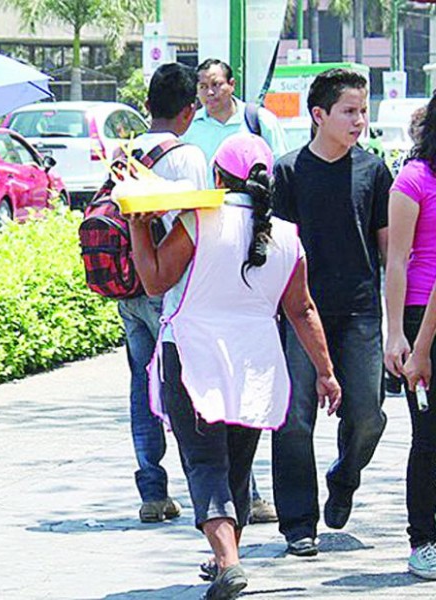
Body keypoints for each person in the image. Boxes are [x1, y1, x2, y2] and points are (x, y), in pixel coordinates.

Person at [129, 132, 340, 599]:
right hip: (257, 359)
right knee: (237, 465)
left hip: (191, 353)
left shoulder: (200, 221)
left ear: (218, 178)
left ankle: (227, 562)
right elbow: (302, 310)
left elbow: (153, 280)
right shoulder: (286, 236)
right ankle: (228, 556)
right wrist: (325, 372)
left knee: (204, 461)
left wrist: (138, 227)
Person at [271, 68, 391, 557]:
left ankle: (344, 477)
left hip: (361, 312)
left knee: (369, 416)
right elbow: (276, 250)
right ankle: (299, 523)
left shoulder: (374, 170)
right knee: (295, 421)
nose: (359, 120)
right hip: (302, 312)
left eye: (363, 110)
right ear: (318, 115)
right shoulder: (287, 171)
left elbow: (388, 251)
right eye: (349, 111)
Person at [183, 57, 284, 524]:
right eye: (201, 85)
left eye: (215, 84)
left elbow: (157, 278)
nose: (208, 92)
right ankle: (233, 534)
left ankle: (227, 547)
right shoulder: (193, 129)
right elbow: (301, 310)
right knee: (229, 437)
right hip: (237, 315)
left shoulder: (257, 121)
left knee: (216, 449)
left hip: (214, 320)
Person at [117, 62, 207, 523]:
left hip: (128, 290)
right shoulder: (187, 155)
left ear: (148, 105)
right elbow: (199, 224)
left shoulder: (125, 153)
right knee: (191, 388)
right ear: (189, 111)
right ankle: (217, 488)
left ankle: (152, 491)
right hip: (169, 288)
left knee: (141, 387)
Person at [383, 93, 436, 580]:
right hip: (422, 314)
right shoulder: (414, 178)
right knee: (428, 436)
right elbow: (396, 259)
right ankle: (423, 539)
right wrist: (397, 333)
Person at [183, 58, 288, 172]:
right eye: (203, 87)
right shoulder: (189, 126)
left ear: (232, 84)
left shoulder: (260, 120)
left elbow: (280, 168)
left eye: (216, 85)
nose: (210, 93)